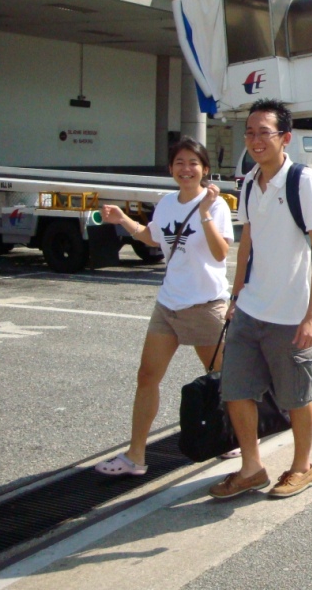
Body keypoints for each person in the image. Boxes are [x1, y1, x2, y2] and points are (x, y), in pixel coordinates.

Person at [209, 98, 312, 500]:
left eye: (265, 132)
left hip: (292, 312)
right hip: (250, 308)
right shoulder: (249, 183)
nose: (255, 140)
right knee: (236, 390)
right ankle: (251, 468)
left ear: (285, 138)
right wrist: (236, 293)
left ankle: (302, 467)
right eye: (250, 132)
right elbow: (247, 242)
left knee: (297, 395)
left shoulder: (302, 181)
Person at [95, 138, 234, 476]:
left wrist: (203, 214)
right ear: (171, 168)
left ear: (204, 169)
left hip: (204, 305)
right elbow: (152, 236)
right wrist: (123, 220)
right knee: (147, 377)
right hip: (168, 303)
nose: (186, 169)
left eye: (193, 163)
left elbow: (221, 253)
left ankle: (235, 439)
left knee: (225, 381)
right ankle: (136, 456)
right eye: (179, 163)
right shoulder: (167, 202)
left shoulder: (215, 205)